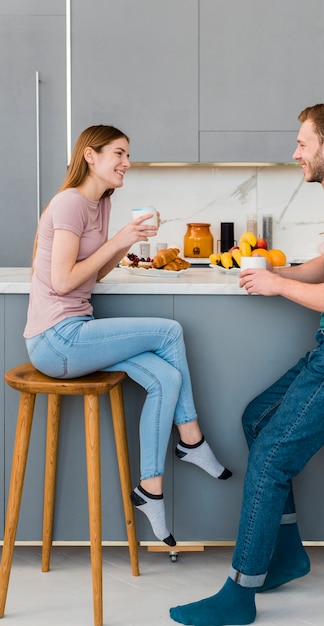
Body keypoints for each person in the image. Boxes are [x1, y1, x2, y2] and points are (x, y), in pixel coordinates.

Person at [169, 103, 324, 625]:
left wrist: (278, 284)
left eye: (302, 143)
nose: (295, 152)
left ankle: (239, 593)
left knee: (272, 456)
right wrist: (271, 271)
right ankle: (286, 556)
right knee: (258, 417)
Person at [24, 125, 231, 548]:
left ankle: (149, 490)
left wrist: (126, 242)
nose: (126, 163)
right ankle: (191, 441)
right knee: (170, 331)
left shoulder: (99, 204)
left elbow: (93, 274)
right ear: (90, 157)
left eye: (127, 155)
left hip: (78, 331)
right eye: (118, 153)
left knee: (166, 379)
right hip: (55, 339)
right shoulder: (69, 205)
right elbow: (62, 282)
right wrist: (120, 238)